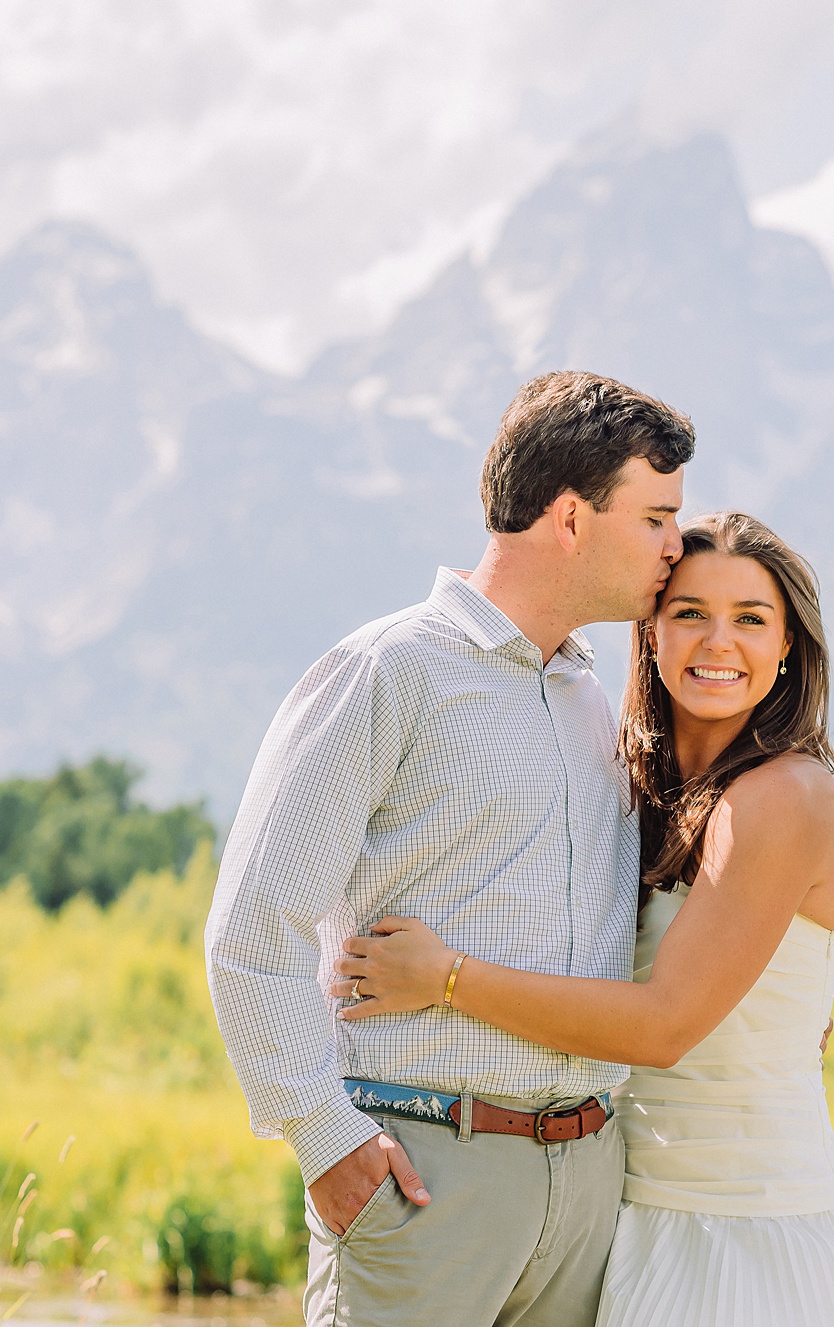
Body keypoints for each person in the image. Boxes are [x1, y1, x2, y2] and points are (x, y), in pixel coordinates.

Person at [334, 511, 834, 1326]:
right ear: (651, 632)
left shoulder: (785, 795)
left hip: (750, 1234)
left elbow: (664, 1025)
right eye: (690, 612)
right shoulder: (632, 787)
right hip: (624, 1223)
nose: (718, 641)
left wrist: (447, 977)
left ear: (787, 647)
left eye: (750, 619)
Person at [203, 371, 694, 1327]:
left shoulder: (594, 699)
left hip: (588, 1187)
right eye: (656, 518)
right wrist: (325, 1137)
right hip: (425, 1175)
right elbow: (253, 928)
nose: (676, 546)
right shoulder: (388, 670)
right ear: (570, 517)